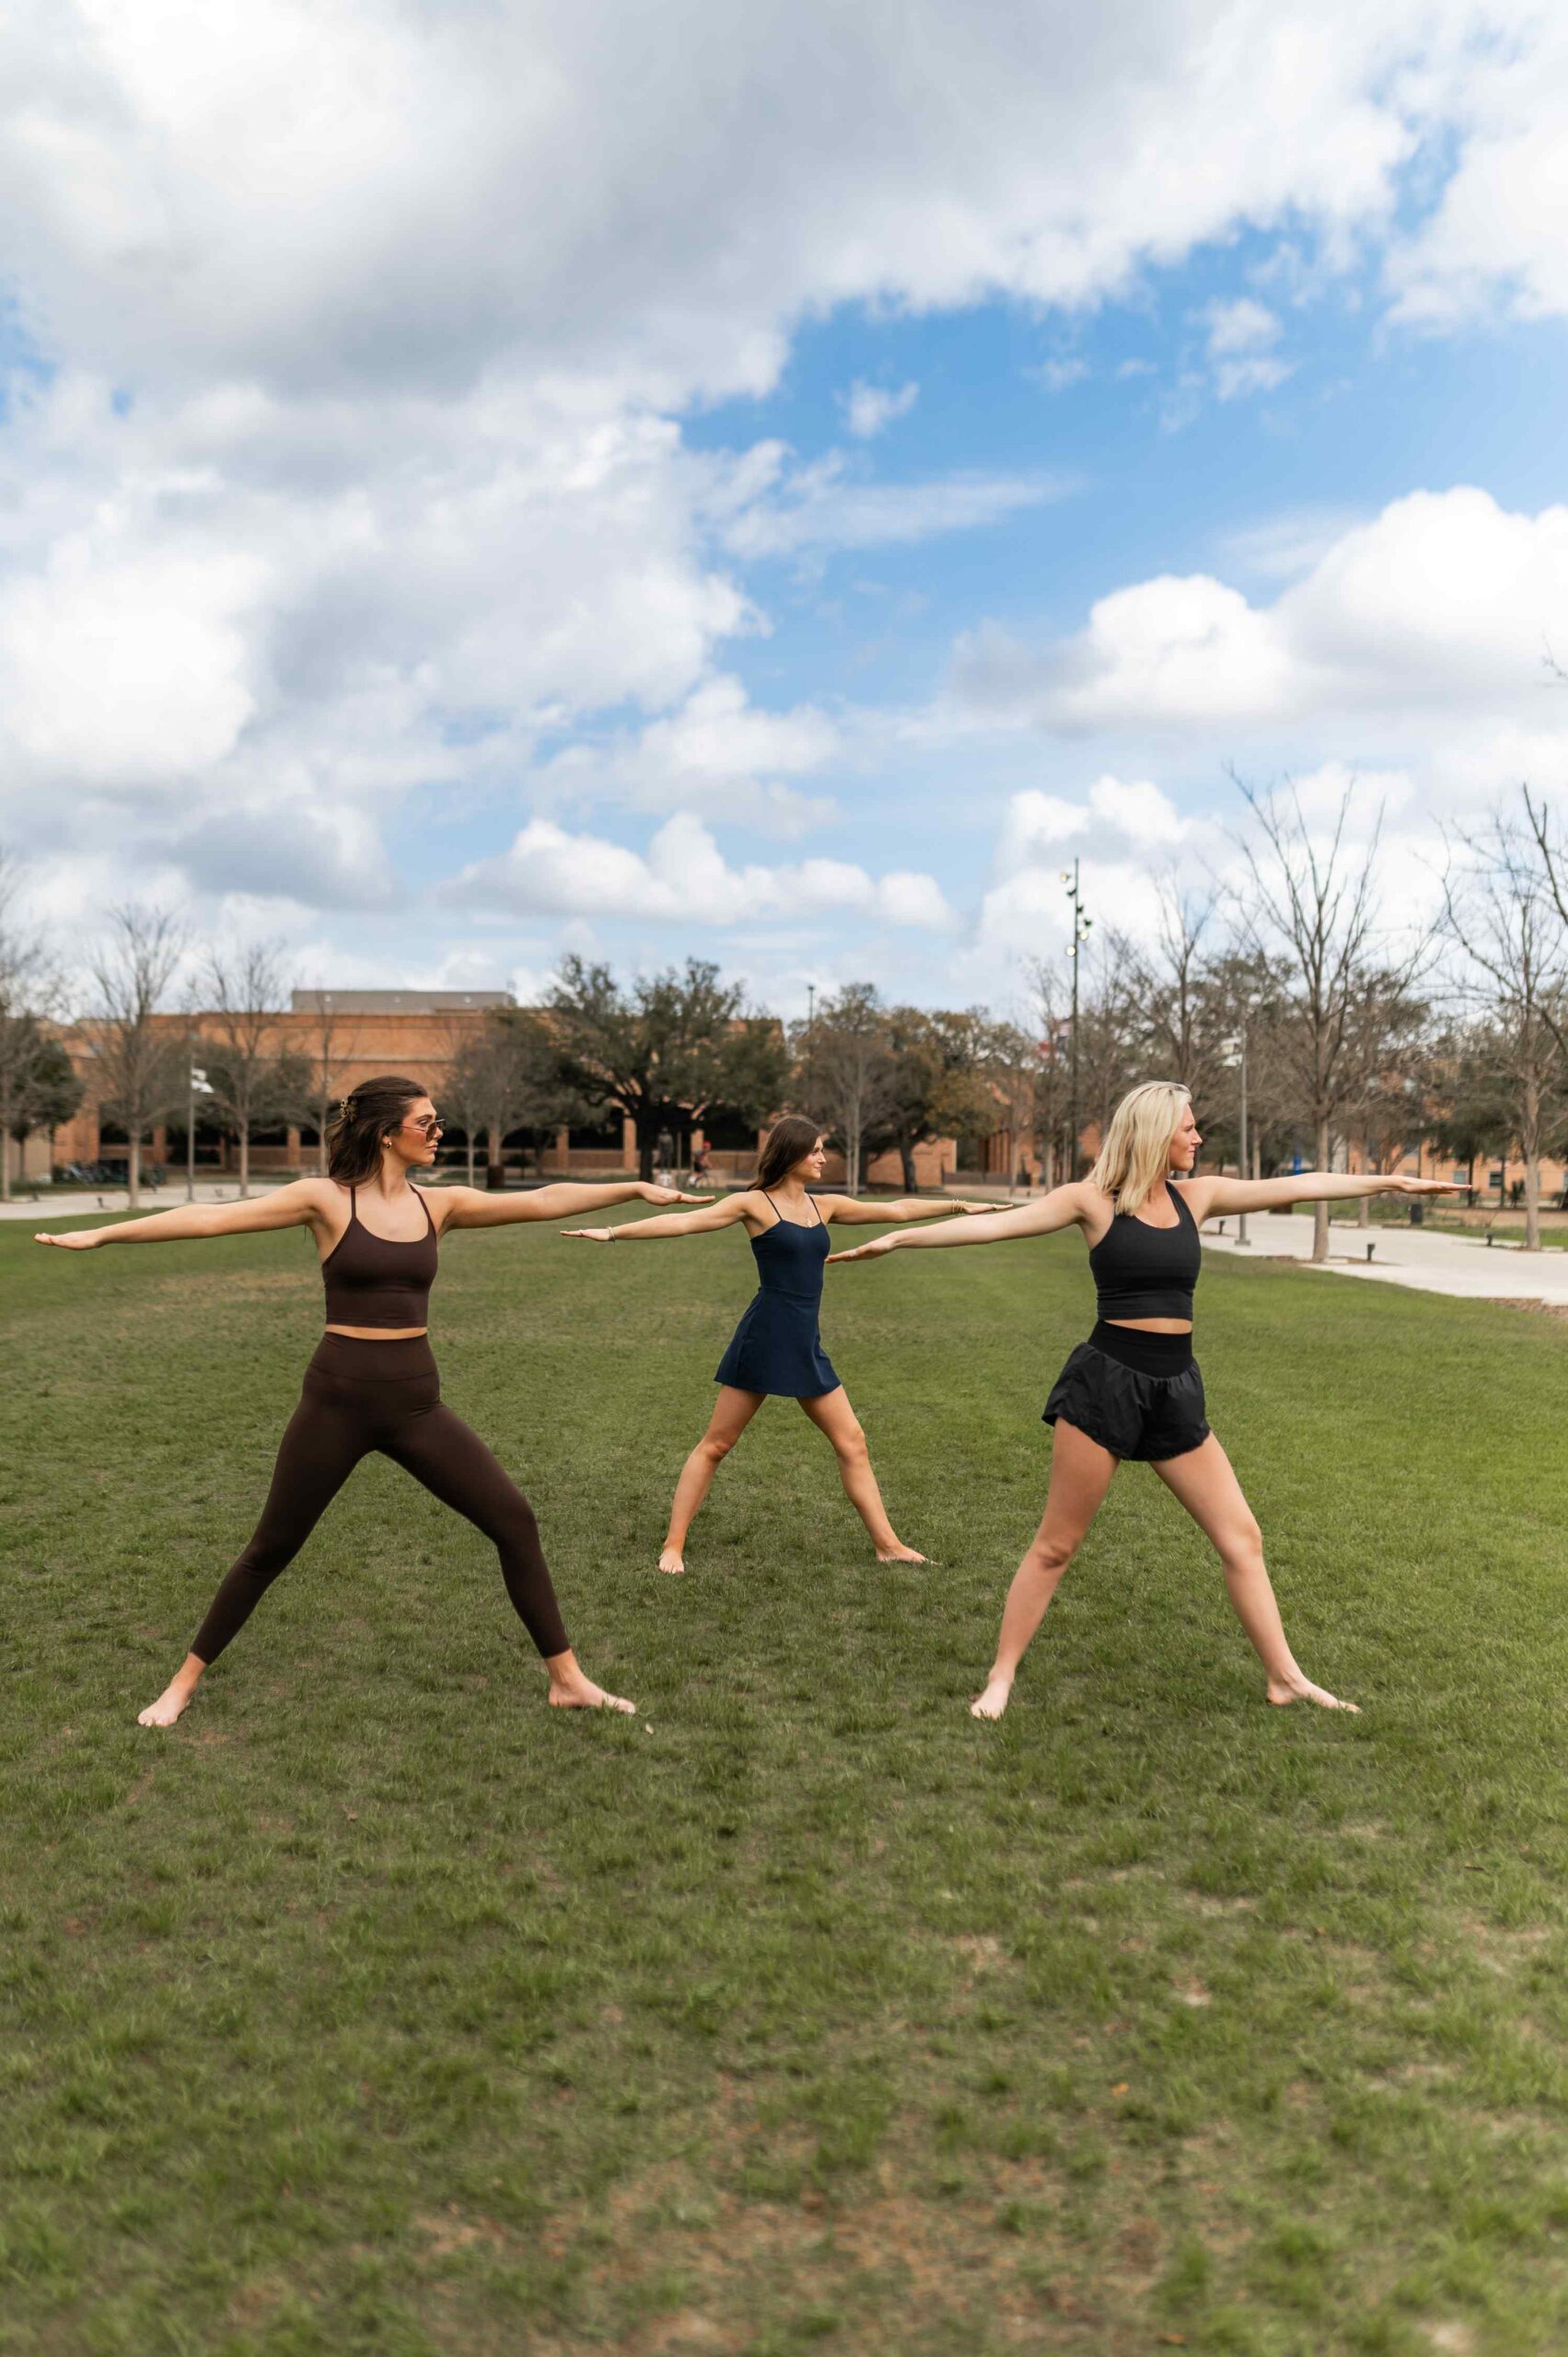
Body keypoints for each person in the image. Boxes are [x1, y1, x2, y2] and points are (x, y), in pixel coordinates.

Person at [36, 1074, 710, 1728]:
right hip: (336, 1403)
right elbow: (209, 1218)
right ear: (388, 1133)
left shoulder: (437, 1205)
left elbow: (544, 1199)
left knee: (514, 1520)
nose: (439, 1133)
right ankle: (181, 1685)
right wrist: (104, 1233)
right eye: (428, 1123)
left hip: (417, 1406)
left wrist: (631, 1188)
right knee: (272, 1547)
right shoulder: (326, 1200)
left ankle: (567, 1681)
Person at [829, 1081, 1460, 1720]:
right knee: (1055, 1546)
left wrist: (1390, 1183)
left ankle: (1285, 1678)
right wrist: (899, 1240)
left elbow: (1299, 1185)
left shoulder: (1199, 1195)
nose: (1197, 1137)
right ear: (1156, 1132)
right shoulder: (1091, 1201)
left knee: (1242, 1538)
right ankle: (999, 1679)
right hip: (1107, 1384)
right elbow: (998, 1227)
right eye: (1188, 1127)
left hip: (1176, 1386)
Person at [563, 1114, 993, 1573]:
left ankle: (888, 1545)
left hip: (806, 1342)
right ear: (791, 1154)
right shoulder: (753, 1205)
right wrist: (612, 1233)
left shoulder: (823, 1206)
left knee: (853, 1443)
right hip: (765, 1335)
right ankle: (673, 1544)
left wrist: (958, 1206)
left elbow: (898, 1210)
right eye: (816, 1150)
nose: (824, 1157)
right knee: (716, 1445)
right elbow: (684, 1223)